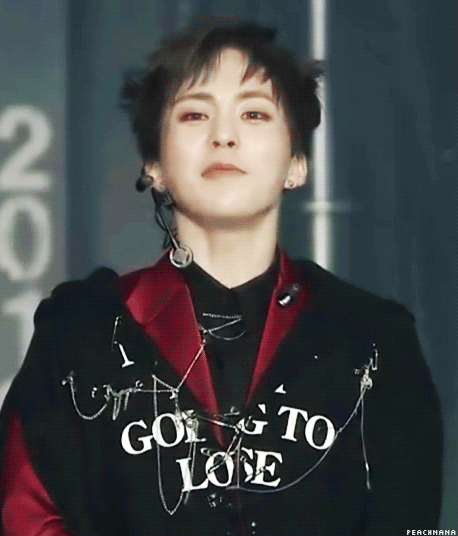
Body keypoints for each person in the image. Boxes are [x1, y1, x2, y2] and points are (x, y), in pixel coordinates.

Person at [0, 17, 443, 536]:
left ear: (297, 163)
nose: (224, 136)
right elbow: (25, 516)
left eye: (254, 113)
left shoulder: (373, 339)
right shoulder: (81, 333)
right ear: (153, 164)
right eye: (194, 114)